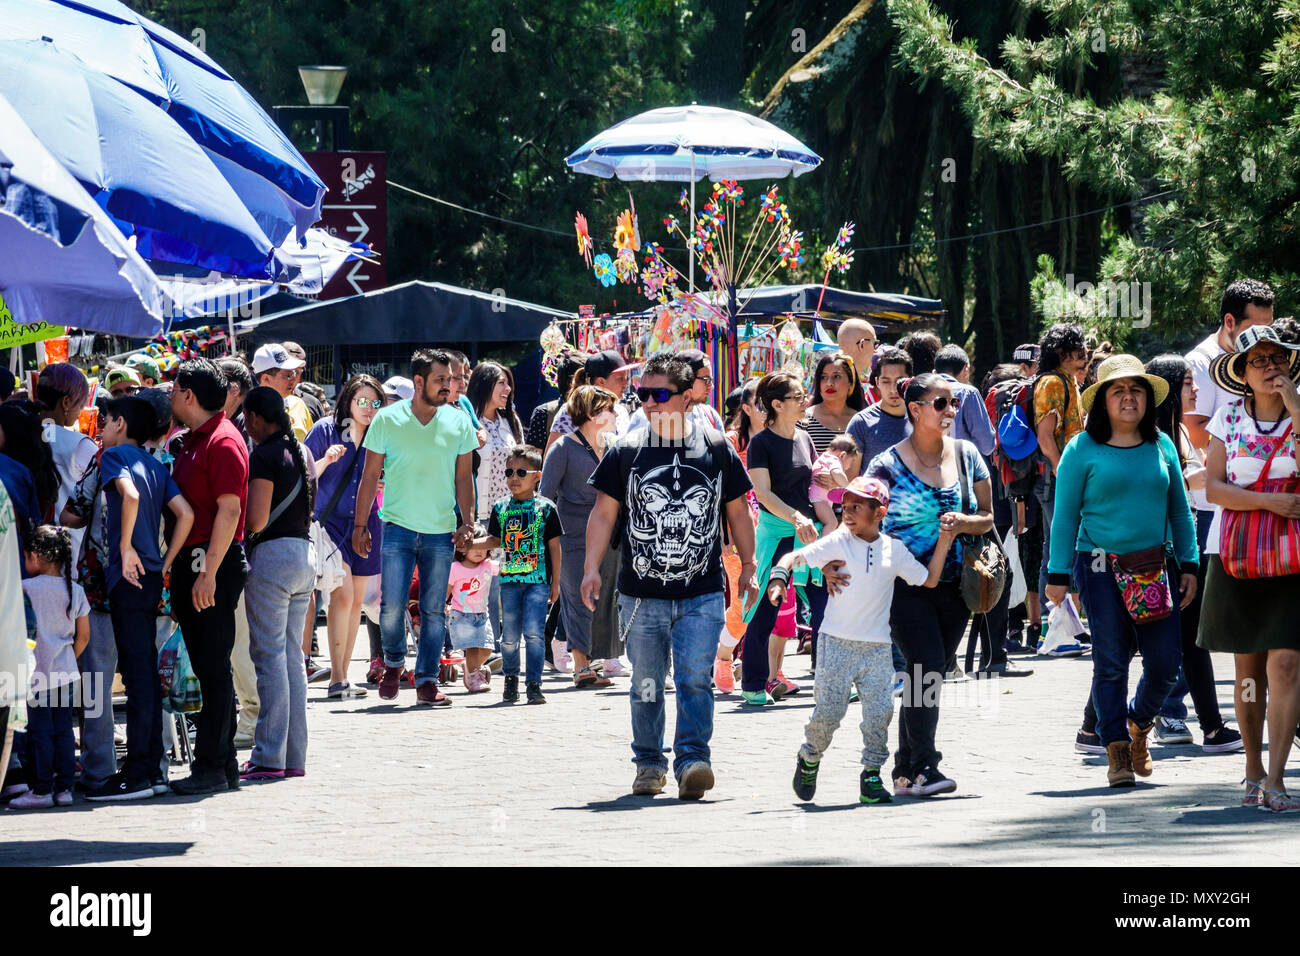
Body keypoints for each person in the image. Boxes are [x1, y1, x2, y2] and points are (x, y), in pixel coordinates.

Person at [582, 353, 757, 799]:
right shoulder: (625, 449)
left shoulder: (716, 447)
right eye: (642, 395)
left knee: (695, 678)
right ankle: (648, 763)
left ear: (688, 397)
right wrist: (589, 569)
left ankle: (694, 760)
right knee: (645, 682)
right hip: (641, 593)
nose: (649, 403)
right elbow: (603, 514)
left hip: (701, 590)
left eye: (659, 395)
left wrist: (750, 565)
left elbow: (737, 510)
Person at [1046, 355, 1198, 789]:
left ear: (1147, 400)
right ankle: (1116, 749)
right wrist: (1058, 575)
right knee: (1110, 660)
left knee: (1166, 663)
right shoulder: (1080, 448)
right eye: (1118, 390)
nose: (1128, 397)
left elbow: (1181, 513)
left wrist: (1188, 564)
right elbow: (1065, 515)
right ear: (1103, 401)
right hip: (1097, 564)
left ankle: (1137, 727)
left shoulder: (1162, 445)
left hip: (1156, 565)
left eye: (1136, 390)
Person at [772, 477, 954, 805]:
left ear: (879, 512)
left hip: (877, 648)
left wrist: (945, 539)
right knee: (829, 713)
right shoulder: (839, 541)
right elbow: (795, 557)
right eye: (845, 505)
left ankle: (871, 775)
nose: (847, 512)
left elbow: (928, 580)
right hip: (836, 643)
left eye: (857, 506)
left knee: (880, 712)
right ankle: (810, 755)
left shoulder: (893, 550)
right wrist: (779, 578)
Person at [867, 373, 995, 797]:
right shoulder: (885, 465)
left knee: (930, 672)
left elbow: (989, 516)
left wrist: (961, 524)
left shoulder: (967, 454)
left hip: (956, 584)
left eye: (953, 403)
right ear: (915, 409)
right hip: (903, 585)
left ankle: (905, 769)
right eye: (940, 404)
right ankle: (925, 766)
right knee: (925, 667)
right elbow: (864, 523)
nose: (949, 411)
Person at [1198, 326, 1300, 811]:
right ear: (1241, 371)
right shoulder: (1227, 416)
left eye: (1277, 357)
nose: (1268, 366)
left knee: (1287, 662)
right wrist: (1268, 503)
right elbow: (1213, 488)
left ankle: (1278, 778)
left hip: (1294, 556)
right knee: (1248, 670)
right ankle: (1253, 770)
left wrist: (1296, 408)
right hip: (1236, 554)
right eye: (1257, 360)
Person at [354, 349, 477, 706]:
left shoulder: (459, 421)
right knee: (391, 605)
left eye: (450, 379)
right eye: (440, 380)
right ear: (419, 381)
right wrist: (361, 525)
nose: (448, 386)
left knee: (434, 610)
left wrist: (468, 523)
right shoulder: (387, 420)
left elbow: (463, 478)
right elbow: (369, 476)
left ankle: (426, 679)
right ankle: (393, 662)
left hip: (441, 531)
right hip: (397, 528)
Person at [84, 397, 193, 801]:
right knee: (143, 672)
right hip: (150, 577)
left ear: (121, 423)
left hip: (127, 575)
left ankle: (137, 774)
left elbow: (128, 497)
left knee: (137, 676)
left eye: (106, 420)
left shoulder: (113, 458)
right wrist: (165, 560)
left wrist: (126, 547)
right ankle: (151, 769)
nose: (102, 427)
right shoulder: (154, 463)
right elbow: (185, 513)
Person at [1137, 355, 1241, 753]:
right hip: (1154, 554)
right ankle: (1106, 724)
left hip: (1185, 548)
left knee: (1191, 638)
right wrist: (1193, 477)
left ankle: (1212, 728)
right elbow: (1155, 486)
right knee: (1135, 645)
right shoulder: (1151, 435)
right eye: (1186, 383)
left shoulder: (1177, 429)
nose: (1196, 389)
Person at [168, 358, 250, 796]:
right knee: (207, 665)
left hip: (209, 563)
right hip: (195, 563)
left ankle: (211, 766)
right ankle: (222, 763)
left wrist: (208, 574)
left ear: (190, 395)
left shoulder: (222, 441)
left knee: (214, 669)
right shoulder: (197, 440)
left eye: (175, 389)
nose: (170, 395)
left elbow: (231, 511)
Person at [240, 387, 318, 780]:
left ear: (255, 418)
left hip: (272, 560)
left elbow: (255, 520)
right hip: (305, 557)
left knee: (269, 658)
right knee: (292, 659)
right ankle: (293, 756)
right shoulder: (302, 452)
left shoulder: (264, 454)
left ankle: (269, 756)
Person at [738, 371, 827, 704]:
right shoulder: (761, 443)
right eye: (798, 396)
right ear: (777, 404)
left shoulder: (805, 436)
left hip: (810, 534)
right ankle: (753, 683)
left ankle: (831, 681)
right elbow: (762, 493)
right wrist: (796, 517)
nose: (805, 401)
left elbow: (815, 483)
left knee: (825, 607)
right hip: (778, 534)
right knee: (767, 608)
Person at [303, 374, 386, 699]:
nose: (368, 408)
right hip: (331, 526)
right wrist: (327, 459)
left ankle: (342, 675)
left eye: (375, 402)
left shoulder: (383, 436)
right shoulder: (325, 429)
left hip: (367, 525)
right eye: (362, 401)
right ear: (348, 400)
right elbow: (305, 473)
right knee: (344, 595)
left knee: (356, 604)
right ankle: (338, 678)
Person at [539, 385, 623, 687]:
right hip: (570, 536)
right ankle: (581, 666)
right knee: (575, 598)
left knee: (605, 600)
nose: (615, 413)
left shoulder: (614, 446)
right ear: (590, 413)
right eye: (608, 409)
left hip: (610, 536)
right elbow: (545, 496)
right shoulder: (563, 448)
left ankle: (596, 660)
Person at [475, 445, 563, 704]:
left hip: (537, 582)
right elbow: (495, 540)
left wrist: (556, 581)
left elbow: (554, 546)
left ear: (537, 476)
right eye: (509, 472)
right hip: (510, 582)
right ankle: (511, 679)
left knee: (534, 633)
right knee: (509, 637)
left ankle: (534, 684)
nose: (513, 477)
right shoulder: (501, 508)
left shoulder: (546, 509)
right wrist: (470, 544)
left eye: (521, 472)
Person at [12, 526, 88, 810]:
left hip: (35, 677)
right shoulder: (75, 590)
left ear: (34, 555)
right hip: (66, 674)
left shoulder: (25, 589)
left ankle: (42, 790)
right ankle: (64, 790)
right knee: (64, 732)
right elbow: (84, 637)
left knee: (40, 734)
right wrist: (66, 659)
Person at [1032, 322, 1090, 651]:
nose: (1082, 355)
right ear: (1061, 352)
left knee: (1054, 551)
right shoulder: (1053, 382)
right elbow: (1045, 437)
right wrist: (1062, 472)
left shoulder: (1067, 381)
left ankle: (1056, 631)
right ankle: (1058, 632)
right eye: (1076, 349)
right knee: (1060, 552)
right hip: (1055, 480)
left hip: (1060, 477)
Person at [468, 361, 525, 654]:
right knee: (486, 586)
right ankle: (490, 648)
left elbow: (522, 463)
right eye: (501, 383)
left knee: (510, 583)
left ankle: (509, 643)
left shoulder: (510, 420)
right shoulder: (469, 420)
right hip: (479, 515)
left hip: (511, 514)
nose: (507, 389)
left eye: (508, 383)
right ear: (484, 385)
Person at [715, 380, 765, 693]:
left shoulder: (782, 439)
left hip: (774, 532)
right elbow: (718, 491)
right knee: (745, 602)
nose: (768, 407)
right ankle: (721, 656)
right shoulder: (732, 442)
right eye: (760, 403)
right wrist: (723, 536)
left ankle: (769, 671)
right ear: (745, 409)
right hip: (737, 536)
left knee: (770, 605)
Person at [547, 350, 633, 450]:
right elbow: (551, 458)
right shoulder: (570, 412)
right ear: (600, 381)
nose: (626, 384)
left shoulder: (621, 411)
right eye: (620, 379)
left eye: (626, 378)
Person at [446, 540, 498, 693]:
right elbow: (447, 588)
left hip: (482, 615)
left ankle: (470, 667)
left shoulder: (488, 565)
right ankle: (474, 677)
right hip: (461, 615)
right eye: (474, 547)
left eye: (483, 547)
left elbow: (504, 561)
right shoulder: (456, 568)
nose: (479, 551)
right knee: (473, 647)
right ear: (462, 549)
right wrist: (442, 603)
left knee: (488, 648)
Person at [848, 346, 913, 465]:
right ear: (877, 382)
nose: (893, 389)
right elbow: (851, 479)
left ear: (910, 381)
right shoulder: (861, 423)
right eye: (886, 381)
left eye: (899, 381)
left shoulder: (922, 419)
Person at [933, 345, 996, 456]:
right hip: (961, 468)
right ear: (966, 369)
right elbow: (987, 445)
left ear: (935, 371)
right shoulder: (968, 393)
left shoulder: (920, 392)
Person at [802, 351, 866, 454]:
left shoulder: (861, 421)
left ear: (850, 383)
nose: (829, 383)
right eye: (823, 377)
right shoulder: (804, 420)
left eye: (836, 376)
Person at [251, 343, 312, 440]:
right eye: (288, 375)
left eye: (294, 373)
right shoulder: (250, 414)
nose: (293, 379)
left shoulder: (298, 404)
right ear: (266, 379)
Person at [526, 351, 585, 448]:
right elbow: (532, 460)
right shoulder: (545, 413)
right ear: (572, 382)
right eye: (585, 377)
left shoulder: (599, 411)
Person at [810, 434, 862, 532]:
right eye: (851, 461)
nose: (850, 466)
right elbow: (837, 473)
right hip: (818, 499)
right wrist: (849, 487)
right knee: (832, 523)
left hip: (818, 499)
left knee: (824, 524)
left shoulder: (824, 458)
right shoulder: (834, 460)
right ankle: (822, 546)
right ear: (843, 455)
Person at [281, 342, 325, 424]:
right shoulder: (258, 401)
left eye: (296, 372)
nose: (292, 378)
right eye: (287, 372)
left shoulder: (312, 403)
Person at [836, 318, 879, 397]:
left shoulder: (828, 381)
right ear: (862, 345)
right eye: (875, 344)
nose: (876, 350)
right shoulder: (846, 387)